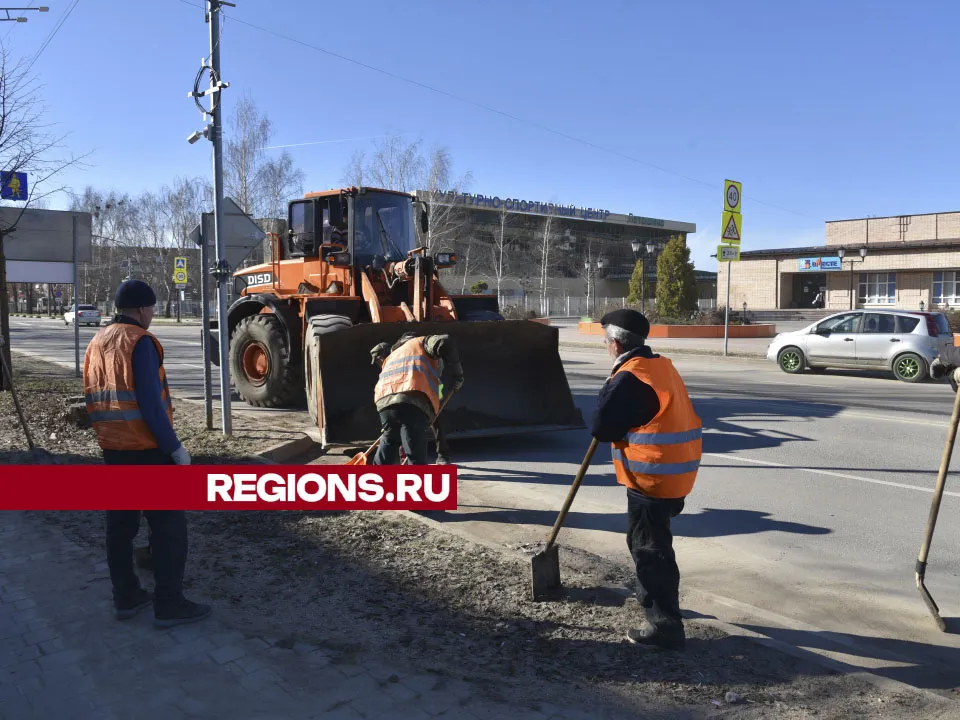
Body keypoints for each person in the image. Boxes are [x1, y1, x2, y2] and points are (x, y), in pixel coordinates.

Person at [83, 279, 211, 628]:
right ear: (141, 309)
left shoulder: (97, 341)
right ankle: (169, 604)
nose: (153, 314)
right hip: (148, 450)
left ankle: (126, 597)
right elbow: (151, 406)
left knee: (120, 529)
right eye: (152, 308)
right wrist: (176, 449)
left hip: (113, 450)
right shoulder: (139, 341)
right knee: (169, 528)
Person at [590, 308, 702, 651]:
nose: (605, 346)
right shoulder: (661, 366)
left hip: (651, 481)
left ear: (615, 343)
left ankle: (665, 626)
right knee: (653, 545)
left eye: (606, 341)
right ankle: (653, 597)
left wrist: (609, 390)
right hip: (677, 477)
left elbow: (603, 427)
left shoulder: (630, 377)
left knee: (650, 552)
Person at [369, 332, 464, 466]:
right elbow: (444, 340)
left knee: (390, 440)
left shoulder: (392, 355)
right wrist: (457, 374)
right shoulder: (421, 343)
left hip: (384, 401)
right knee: (415, 454)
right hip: (411, 399)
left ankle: (376, 480)